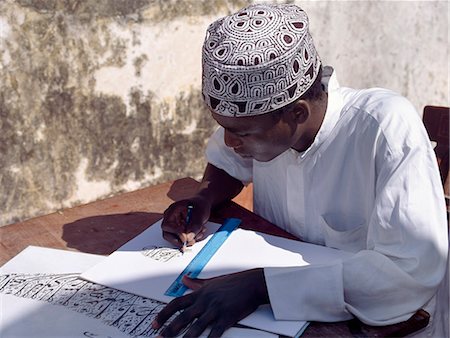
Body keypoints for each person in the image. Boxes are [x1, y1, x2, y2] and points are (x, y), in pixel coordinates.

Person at [151, 3, 448, 337]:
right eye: (225, 128)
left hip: (379, 325)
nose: (231, 141)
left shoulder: (384, 128)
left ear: (297, 114)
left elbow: (408, 276)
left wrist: (259, 287)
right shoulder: (268, 127)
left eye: (242, 133)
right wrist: (204, 197)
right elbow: (227, 161)